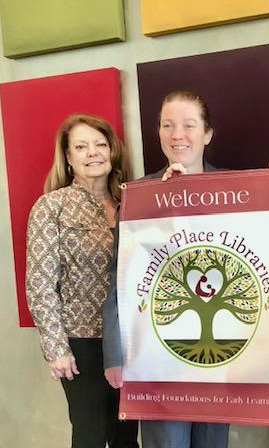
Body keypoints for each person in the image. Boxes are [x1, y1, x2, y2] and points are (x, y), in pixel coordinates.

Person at [103, 90, 229, 448]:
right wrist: (114, 353)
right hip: (154, 354)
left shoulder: (239, 190)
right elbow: (119, 281)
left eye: (189, 125)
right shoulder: (139, 195)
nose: (177, 135)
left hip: (219, 354)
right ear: (157, 132)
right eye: (167, 125)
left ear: (207, 133)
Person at [26, 114, 139, 448]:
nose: (93, 152)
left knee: (126, 435)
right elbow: (40, 283)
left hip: (127, 340)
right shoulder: (51, 207)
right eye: (81, 146)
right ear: (68, 157)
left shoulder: (131, 205)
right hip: (81, 343)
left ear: (113, 151)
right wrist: (56, 349)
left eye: (100, 144)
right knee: (90, 433)